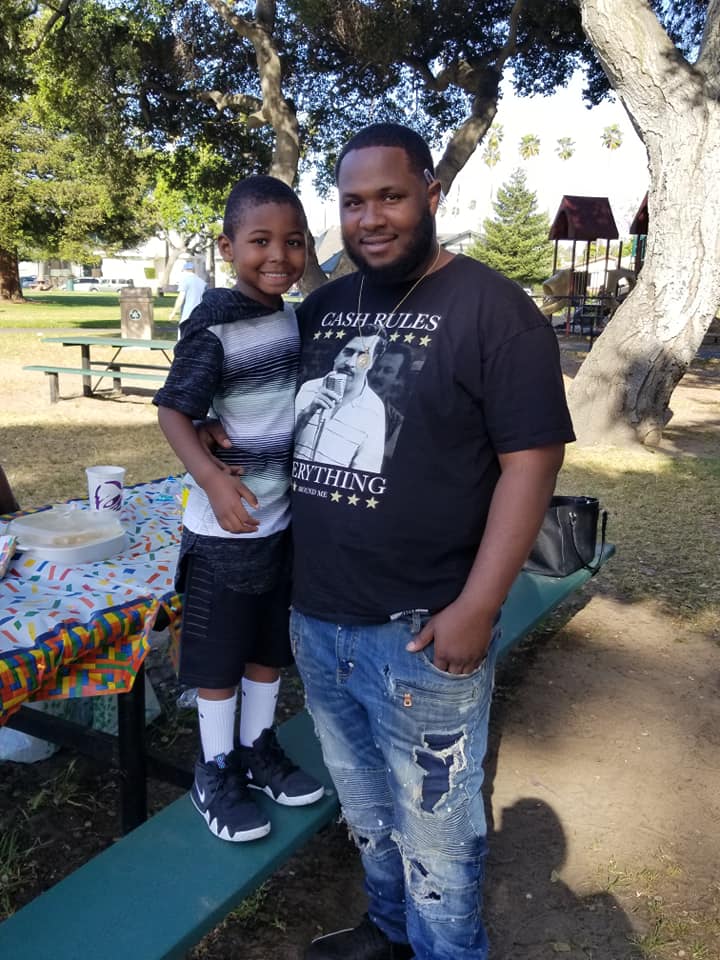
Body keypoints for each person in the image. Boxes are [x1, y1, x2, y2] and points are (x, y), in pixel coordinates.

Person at [201, 123, 575, 958]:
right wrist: (224, 439)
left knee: (438, 836)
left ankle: (446, 949)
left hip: (423, 633)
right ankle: (389, 929)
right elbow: (265, 401)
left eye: (391, 197)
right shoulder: (326, 308)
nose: (370, 218)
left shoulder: (496, 312)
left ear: (431, 196)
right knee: (366, 808)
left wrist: (479, 606)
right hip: (319, 618)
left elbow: (531, 464)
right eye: (354, 202)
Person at [153, 175, 324, 844]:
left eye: (293, 241)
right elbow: (173, 409)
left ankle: (257, 751)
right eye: (260, 241)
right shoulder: (216, 321)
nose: (278, 254)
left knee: (265, 653)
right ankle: (215, 768)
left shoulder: (288, 314)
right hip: (224, 533)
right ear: (227, 247)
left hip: (278, 526)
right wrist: (211, 479)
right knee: (220, 663)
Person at [294, 326, 386, 471]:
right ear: (337, 354)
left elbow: (365, 471)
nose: (350, 363)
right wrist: (306, 414)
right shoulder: (309, 388)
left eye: (363, 356)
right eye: (348, 352)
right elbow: (278, 448)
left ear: (372, 362)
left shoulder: (375, 409)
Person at [367, 341, 412, 460]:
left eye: (387, 371)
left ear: (398, 378)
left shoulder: (396, 423)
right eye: (376, 368)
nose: (378, 375)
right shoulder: (341, 402)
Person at [169, 261, 207, 331]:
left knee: (183, 336)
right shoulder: (202, 282)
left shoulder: (185, 280)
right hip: (200, 314)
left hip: (187, 314)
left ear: (184, 270)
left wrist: (173, 313)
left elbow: (181, 298)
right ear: (193, 270)